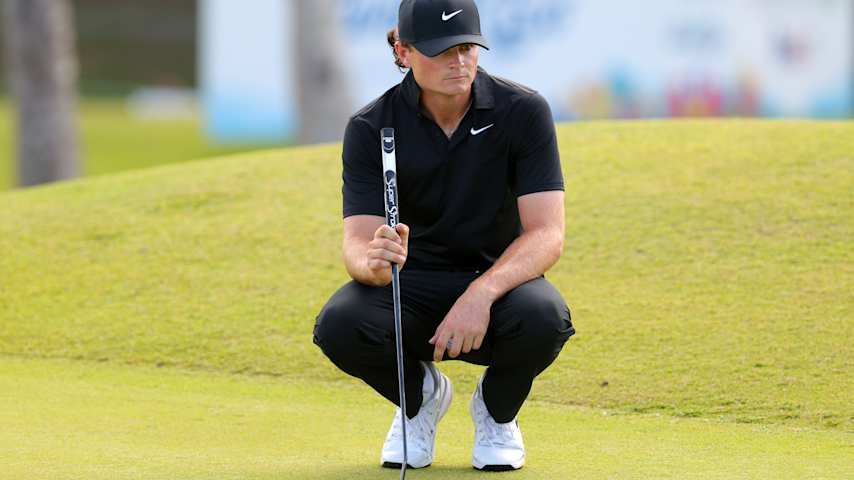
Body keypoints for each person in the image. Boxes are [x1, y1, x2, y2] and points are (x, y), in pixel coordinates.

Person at [312, 0, 574, 471]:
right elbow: (357, 242)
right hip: (410, 286)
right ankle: (420, 399)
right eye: (441, 50)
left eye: (468, 47)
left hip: (497, 283)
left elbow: (547, 235)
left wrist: (482, 292)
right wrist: (371, 263)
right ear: (403, 50)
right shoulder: (372, 126)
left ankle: (496, 412)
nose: (459, 61)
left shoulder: (524, 112)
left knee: (545, 317)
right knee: (339, 325)